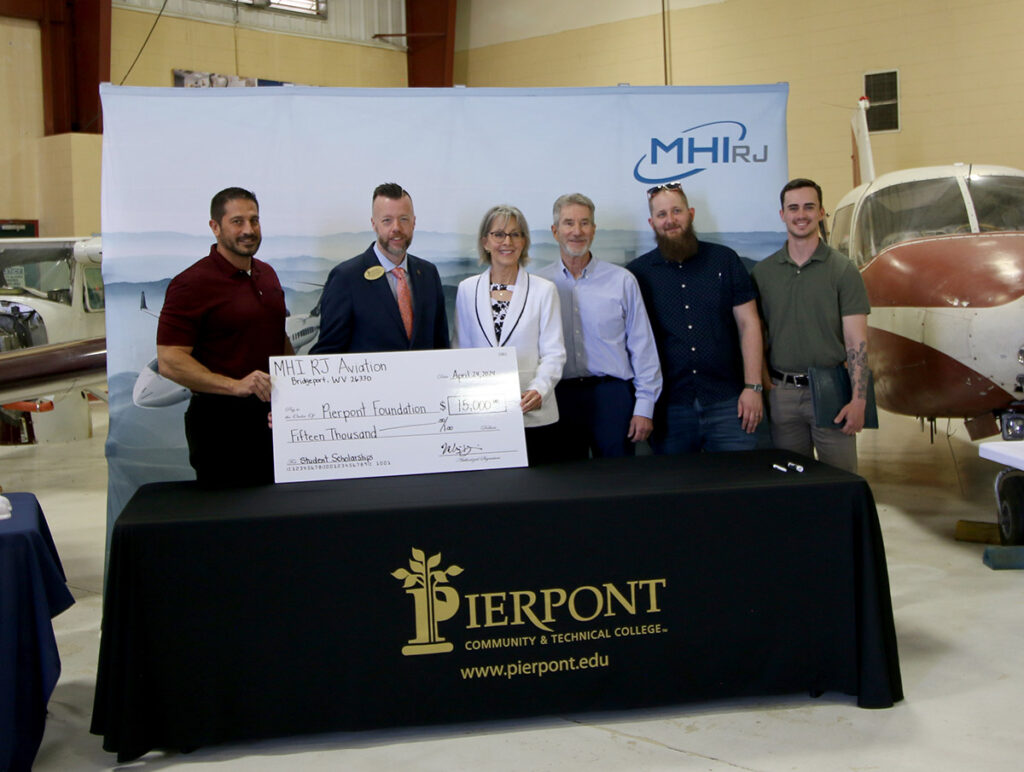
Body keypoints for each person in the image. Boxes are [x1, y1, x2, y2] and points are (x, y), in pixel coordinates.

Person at [157, 187, 293, 486]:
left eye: (254, 220)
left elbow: (277, 337)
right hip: (220, 427)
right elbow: (169, 360)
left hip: (273, 421)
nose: (249, 230)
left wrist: (294, 392)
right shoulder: (190, 284)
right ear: (215, 227)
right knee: (233, 524)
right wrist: (235, 386)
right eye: (237, 221)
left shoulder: (267, 275)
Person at [626, 183, 764, 453]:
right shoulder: (637, 274)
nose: (670, 220)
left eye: (676, 211)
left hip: (729, 402)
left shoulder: (725, 261)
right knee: (678, 492)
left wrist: (753, 387)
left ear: (690, 213)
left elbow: (749, 324)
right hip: (669, 407)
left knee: (737, 488)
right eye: (662, 214)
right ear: (652, 222)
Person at [751, 178, 871, 473]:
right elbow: (757, 335)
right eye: (793, 208)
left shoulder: (844, 270)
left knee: (839, 481)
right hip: (782, 394)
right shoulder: (762, 273)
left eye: (808, 207)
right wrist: (766, 388)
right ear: (782, 215)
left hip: (832, 393)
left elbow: (857, 341)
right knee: (790, 486)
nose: (800, 214)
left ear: (821, 213)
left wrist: (859, 400)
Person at [536, 193, 661, 459]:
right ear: (555, 231)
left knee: (618, 484)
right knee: (565, 485)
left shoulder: (622, 281)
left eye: (585, 223)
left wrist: (644, 407)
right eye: (569, 223)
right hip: (559, 398)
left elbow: (643, 347)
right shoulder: (538, 285)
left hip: (613, 397)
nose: (577, 231)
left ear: (594, 230)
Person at [453, 204, 566, 464]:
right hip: (482, 417)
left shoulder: (544, 290)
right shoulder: (467, 290)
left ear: (524, 242)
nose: (507, 241)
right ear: (485, 242)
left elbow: (554, 353)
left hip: (533, 413)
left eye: (516, 234)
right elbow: (460, 350)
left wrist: (540, 390)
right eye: (499, 234)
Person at [310, 183, 449, 354]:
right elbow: (327, 353)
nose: (396, 228)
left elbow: (441, 348)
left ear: (414, 222)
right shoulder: (346, 278)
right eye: (387, 220)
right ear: (374, 224)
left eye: (404, 219)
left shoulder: (429, 274)